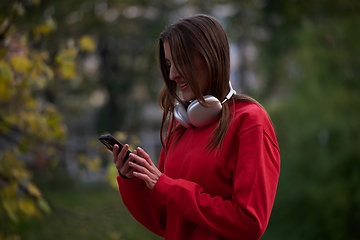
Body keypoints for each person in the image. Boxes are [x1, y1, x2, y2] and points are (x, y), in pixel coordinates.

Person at [112, 14, 280, 240]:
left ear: (209, 57)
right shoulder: (178, 127)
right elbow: (164, 221)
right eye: (169, 64)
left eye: (181, 61)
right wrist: (134, 181)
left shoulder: (249, 121)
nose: (172, 75)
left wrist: (168, 187)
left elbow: (249, 224)